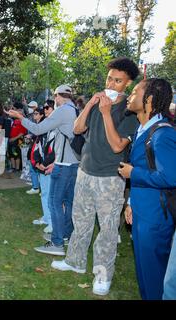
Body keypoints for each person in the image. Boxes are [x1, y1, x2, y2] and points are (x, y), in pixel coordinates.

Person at [51, 57, 140, 296]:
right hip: (85, 171)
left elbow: (116, 146)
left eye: (118, 81)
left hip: (110, 178)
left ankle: (102, 275)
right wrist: (91, 104)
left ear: (128, 84)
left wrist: (106, 113)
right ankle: (75, 261)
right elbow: (77, 129)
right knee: (81, 222)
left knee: (108, 230)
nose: (111, 84)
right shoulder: (97, 102)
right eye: (109, 78)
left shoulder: (130, 111)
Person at [118, 78, 176, 300]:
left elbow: (170, 177)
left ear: (149, 99)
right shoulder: (143, 129)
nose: (130, 97)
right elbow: (146, 167)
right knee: (143, 272)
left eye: (134, 92)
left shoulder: (163, 133)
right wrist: (131, 203)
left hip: (156, 216)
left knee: (154, 276)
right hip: (142, 210)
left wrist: (133, 174)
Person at [8, 84, 80, 256]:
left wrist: (20, 117)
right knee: (68, 202)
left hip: (64, 165)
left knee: (55, 202)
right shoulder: (75, 110)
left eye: (55, 97)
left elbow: (38, 128)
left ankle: (57, 242)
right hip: (73, 163)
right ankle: (66, 235)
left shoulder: (63, 110)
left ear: (58, 96)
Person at [31, 104, 55, 233]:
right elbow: (38, 146)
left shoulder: (57, 127)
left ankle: (52, 222)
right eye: (44, 108)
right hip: (42, 167)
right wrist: (38, 163)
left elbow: (56, 150)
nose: (45, 110)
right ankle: (46, 217)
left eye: (48, 108)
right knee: (44, 193)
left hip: (51, 167)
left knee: (52, 195)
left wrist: (46, 163)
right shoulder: (43, 127)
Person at [7, 102, 27, 173]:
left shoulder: (22, 120)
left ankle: (17, 168)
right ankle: (13, 167)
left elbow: (22, 132)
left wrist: (14, 138)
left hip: (17, 140)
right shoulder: (15, 120)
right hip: (12, 139)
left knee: (17, 154)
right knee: (11, 154)